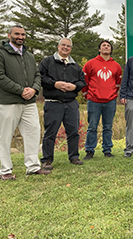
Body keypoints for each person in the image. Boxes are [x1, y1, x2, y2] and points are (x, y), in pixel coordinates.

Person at [0, 25, 51, 180]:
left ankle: (33, 167)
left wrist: (34, 90)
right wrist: (20, 90)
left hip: (29, 102)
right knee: (6, 136)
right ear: (9, 35)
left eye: (23, 34)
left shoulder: (29, 56)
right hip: (8, 102)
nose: (20, 37)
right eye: (17, 34)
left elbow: (37, 76)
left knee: (33, 133)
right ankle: (5, 171)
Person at [39, 38, 86, 169]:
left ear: (71, 49)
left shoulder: (75, 66)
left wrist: (74, 87)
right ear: (58, 46)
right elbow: (41, 78)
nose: (65, 48)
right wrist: (55, 84)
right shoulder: (47, 62)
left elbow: (82, 82)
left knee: (73, 132)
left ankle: (74, 157)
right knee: (50, 132)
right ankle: (47, 159)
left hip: (71, 103)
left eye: (68, 46)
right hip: (53, 103)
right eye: (63, 45)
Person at [82, 40, 123, 160]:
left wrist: (112, 94)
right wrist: (87, 94)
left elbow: (117, 83)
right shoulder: (90, 64)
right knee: (92, 126)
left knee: (108, 127)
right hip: (94, 101)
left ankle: (107, 150)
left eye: (108, 46)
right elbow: (84, 81)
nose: (106, 47)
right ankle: (90, 150)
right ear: (99, 49)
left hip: (110, 101)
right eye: (103, 46)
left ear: (111, 50)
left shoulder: (116, 66)